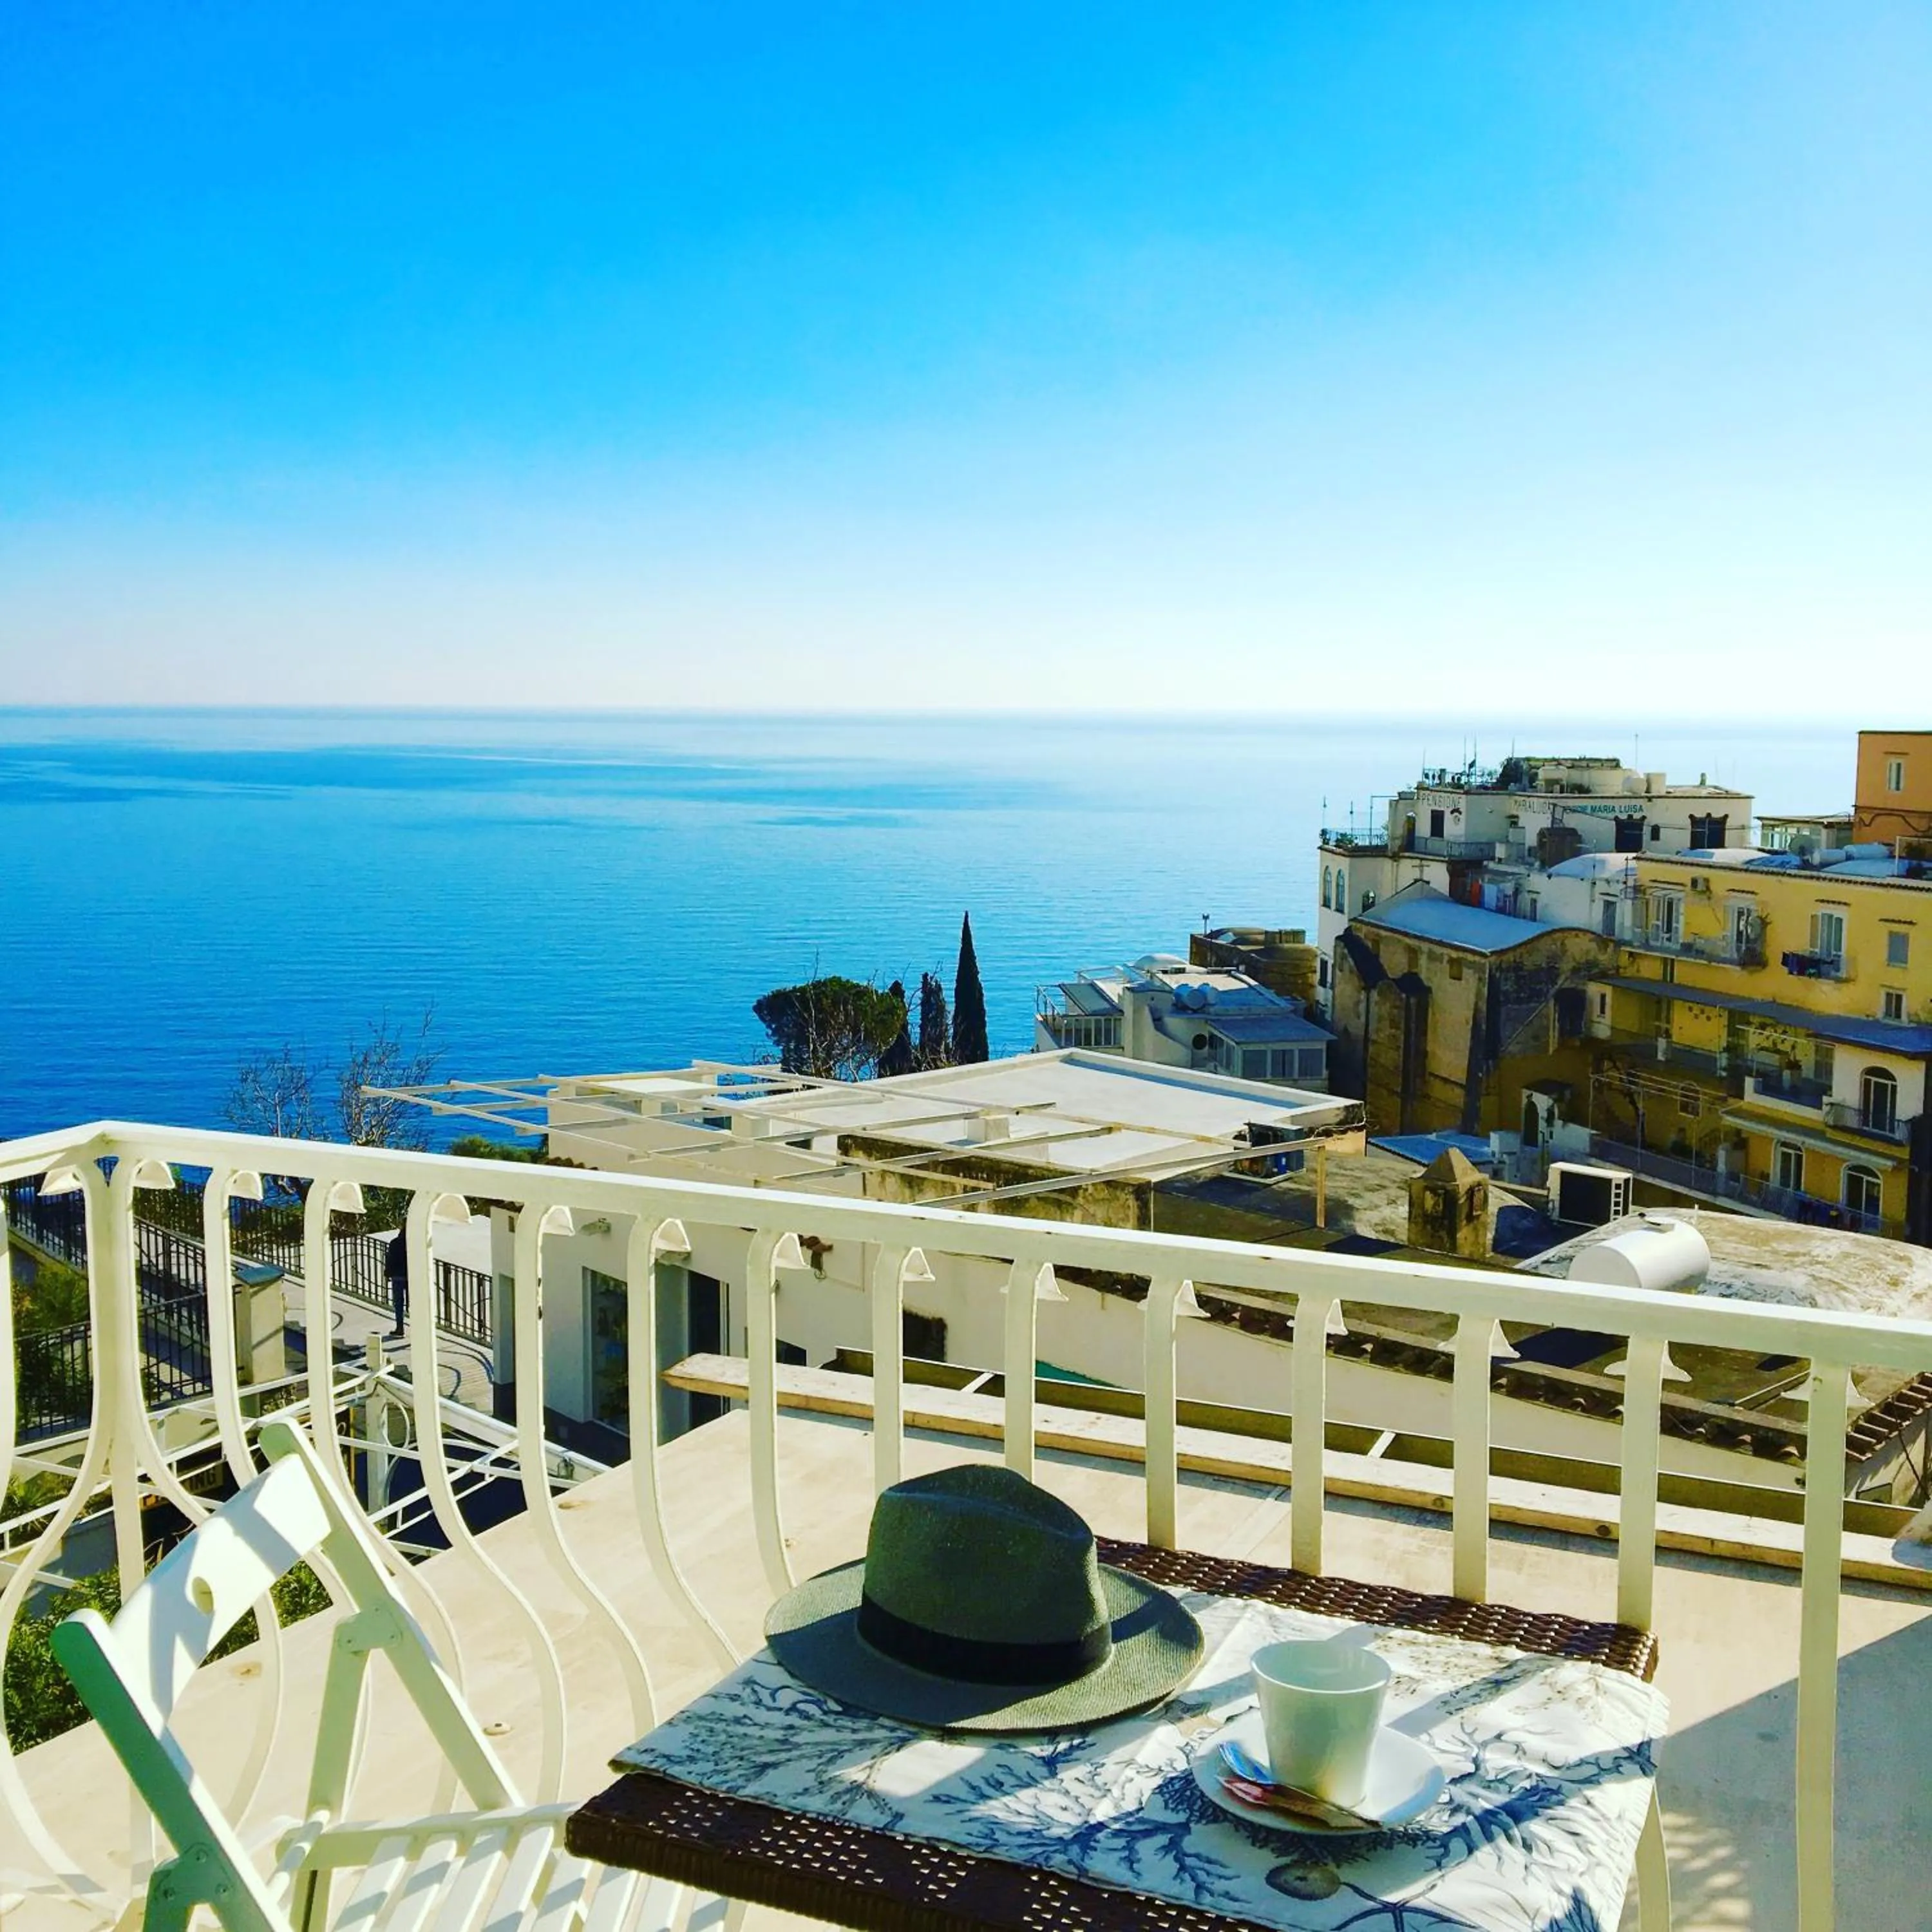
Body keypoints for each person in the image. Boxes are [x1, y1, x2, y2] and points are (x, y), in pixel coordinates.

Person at [384, 1231, 408, 1338]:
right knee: (414, 1304)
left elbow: (390, 1259)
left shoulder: (395, 1243)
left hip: (398, 1276)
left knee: (398, 1303)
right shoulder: (413, 1242)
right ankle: (419, 1329)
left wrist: (388, 1272)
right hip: (411, 1276)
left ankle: (400, 1328)